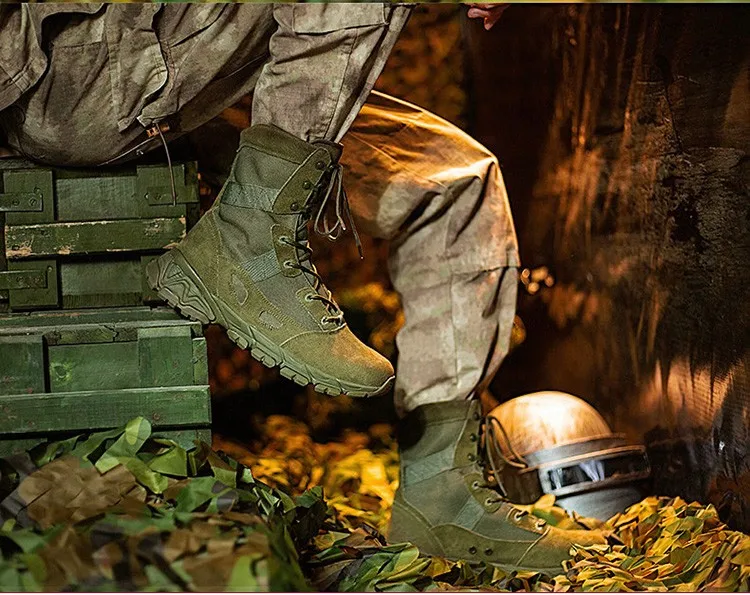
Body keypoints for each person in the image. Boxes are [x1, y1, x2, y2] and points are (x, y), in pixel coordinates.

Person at [0, 3, 605, 572]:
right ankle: (246, 238)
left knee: (455, 182)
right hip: (74, 69)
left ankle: (440, 495)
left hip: (190, 66)